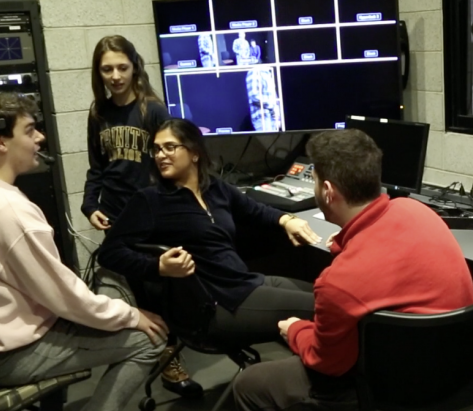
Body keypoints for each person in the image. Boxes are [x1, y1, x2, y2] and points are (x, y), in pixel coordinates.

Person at [226, 129, 473, 411]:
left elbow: (327, 362)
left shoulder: (338, 285)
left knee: (252, 387)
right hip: (459, 379)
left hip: (395, 394)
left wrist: (294, 330)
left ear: (327, 191)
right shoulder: (416, 211)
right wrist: (347, 243)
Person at [0, 92, 168, 411]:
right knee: (149, 339)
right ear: (1, 142)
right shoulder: (10, 211)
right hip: (9, 355)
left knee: (96, 303)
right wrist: (131, 316)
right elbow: (67, 300)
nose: (40, 139)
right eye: (30, 130)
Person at [98, 118, 320, 343]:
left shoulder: (214, 187)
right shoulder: (150, 200)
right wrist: (158, 267)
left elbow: (255, 210)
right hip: (214, 303)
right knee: (329, 309)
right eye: (156, 149)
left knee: (328, 294)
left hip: (244, 282)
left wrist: (286, 219)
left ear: (194, 152)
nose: (160, 155)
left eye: (170, 147)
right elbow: (109, 253)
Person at [81, 35, 196, 398]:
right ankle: (149, 353)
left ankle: (170, 357)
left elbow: (172, 166)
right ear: (98, 73)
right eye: (107, 69)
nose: (115, 76)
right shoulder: (98, 112)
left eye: (122, 67)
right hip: (115, 216)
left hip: (149, 215)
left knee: (160, 288)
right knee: (133, 291)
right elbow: (96, 167)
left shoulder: (153, 111)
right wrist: (90, 205)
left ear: (134, 67)